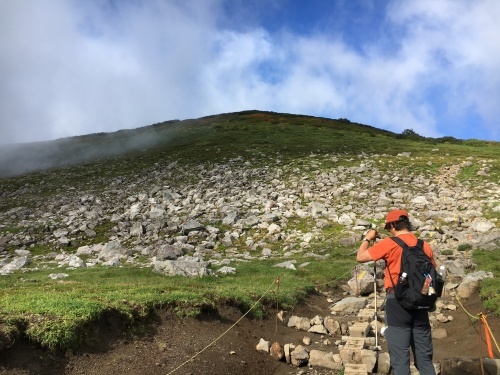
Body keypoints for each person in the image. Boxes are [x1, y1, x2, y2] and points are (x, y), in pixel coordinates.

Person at [356, 209, 436, 375]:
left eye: (389, 227)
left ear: (393, 225)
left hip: (397, 301)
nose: (389, 230)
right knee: (425, 361)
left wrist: (368, 238)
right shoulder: (424, 245)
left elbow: (361, 256)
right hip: (421, 303)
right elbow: (433, 273)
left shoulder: (390, 243)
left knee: (400, 361)